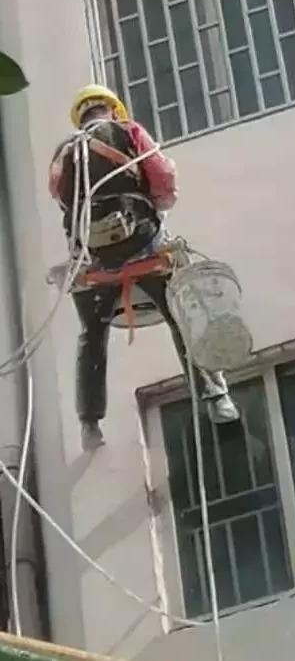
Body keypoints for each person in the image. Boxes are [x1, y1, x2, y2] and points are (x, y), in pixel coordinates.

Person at [49, 85, 239, 451]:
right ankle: (216, 396)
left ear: (81, 116)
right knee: (181, 315)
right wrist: (157, 205)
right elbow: (162, 175)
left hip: (94, 258)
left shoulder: (65, 150)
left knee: (92, 334)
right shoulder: (129, 131)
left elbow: (58, 193)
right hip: (142, 245)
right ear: (112, 110)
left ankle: (89, 424)